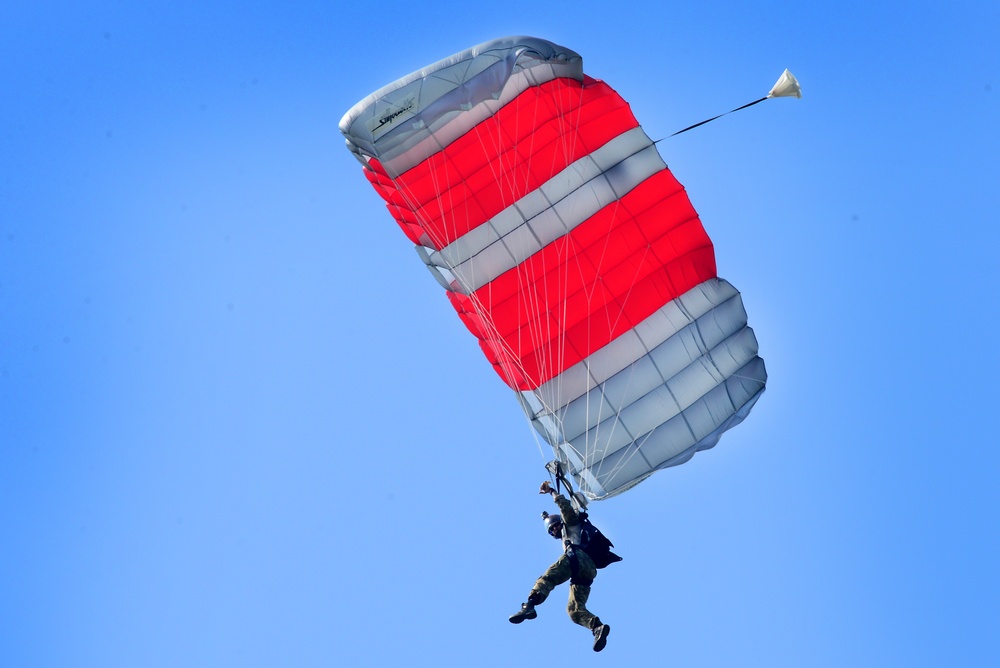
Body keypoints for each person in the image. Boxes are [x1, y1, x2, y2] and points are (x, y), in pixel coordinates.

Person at [509, 481, 611, 652]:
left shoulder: (571, 524)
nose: (554, 530)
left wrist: (552, 492)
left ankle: (529, 606)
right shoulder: (567, 538)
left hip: (578, 558)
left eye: (555, 525)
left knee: (548, 578)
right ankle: (597, 627)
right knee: (573, 609)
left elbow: (565, 508)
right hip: (587, 571)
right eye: (551, 530)